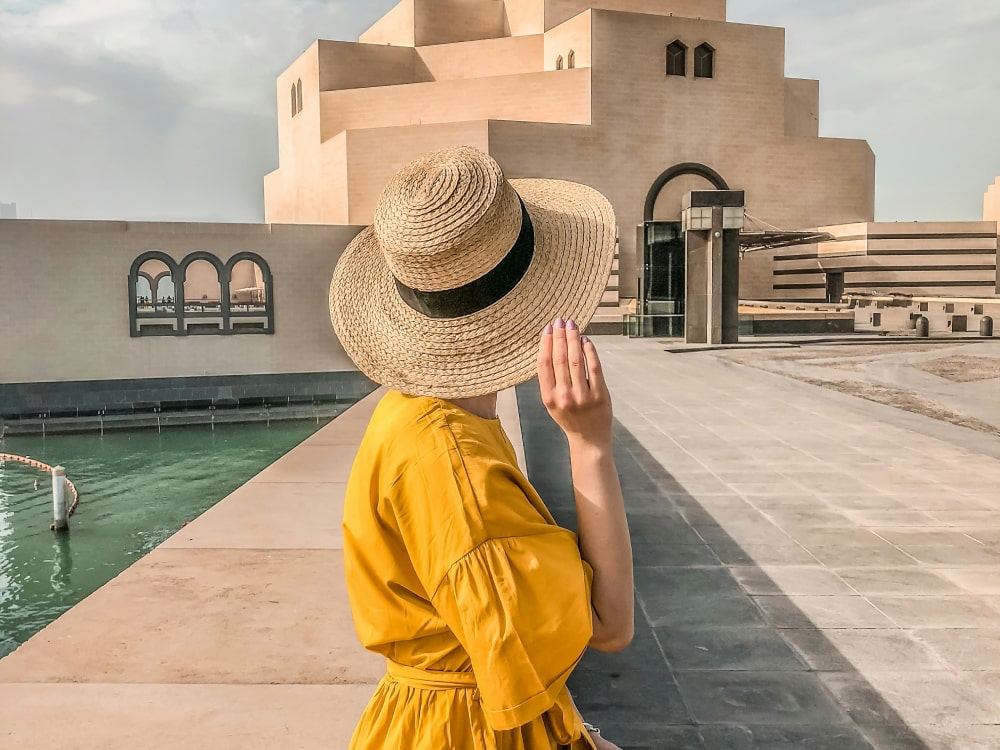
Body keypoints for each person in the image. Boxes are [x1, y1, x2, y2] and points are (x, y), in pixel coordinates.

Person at [330, 146, 633, 749]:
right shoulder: (453, 461)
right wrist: (589, 442)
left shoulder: (414, 412)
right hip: (473, 731)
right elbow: (608, 623)